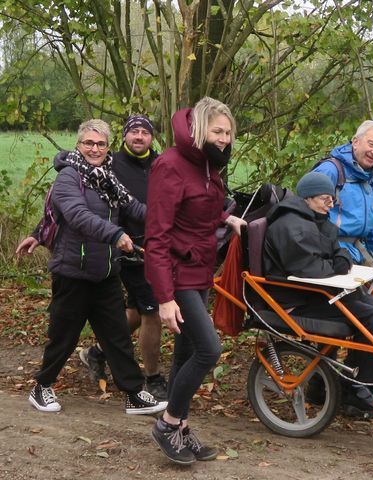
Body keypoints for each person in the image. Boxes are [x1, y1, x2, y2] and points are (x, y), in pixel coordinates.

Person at [17, 119, 167, 416]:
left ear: (107, 146)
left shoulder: (107, 176)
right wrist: (116, 235)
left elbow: (133, 207)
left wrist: (169, 222)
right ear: (78, 145)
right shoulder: (69, 177)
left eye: (100, 143)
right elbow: (75, 214)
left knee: (117, 337)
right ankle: (41, 387)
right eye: (89, 143)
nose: (94, 148)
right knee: (64, 335)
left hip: (106, 270)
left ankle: (135, 393)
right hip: (73, 270)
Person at [145, 97, 245, 465]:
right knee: (209, 350)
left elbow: (198, 208)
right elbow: (156, 235)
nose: (224, 139)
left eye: (229, 133)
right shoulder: (169, 165)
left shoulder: (208, 165)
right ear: (200, 129)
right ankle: (167, 423)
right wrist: (165, 297)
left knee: (186, 353)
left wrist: (225, 218)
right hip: (176, 274)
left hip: (200, 270)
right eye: (218, 131)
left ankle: (180, 427)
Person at [262, 172, 373, 417]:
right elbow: (309, 269)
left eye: (332, 198)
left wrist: (339, 261)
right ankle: (357, 388)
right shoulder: (290, 225)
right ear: (307, 198)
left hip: (313, 292)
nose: (330, 204)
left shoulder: (315, 219)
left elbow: (340, 252)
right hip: (294, 300)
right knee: (369, 315)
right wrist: (338, 264)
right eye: (325, 199)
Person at [79, 114, 167, 400]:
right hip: (128, 248)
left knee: (137, 312)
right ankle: (151, 379)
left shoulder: (162, 164)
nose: (139, 136)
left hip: (161, 247)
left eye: (145, 132)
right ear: (125, 136)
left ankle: (97, 352)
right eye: (134, 132)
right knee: (152, 310)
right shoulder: (111, 164)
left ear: (152, 137)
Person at [311, 120, 373, 297]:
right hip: (332, 260)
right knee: (364, 315)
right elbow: (305, 221)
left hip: (358, 257)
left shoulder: (369, 178)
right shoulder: (330, 171)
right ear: (355, 142)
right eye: (371, 144)